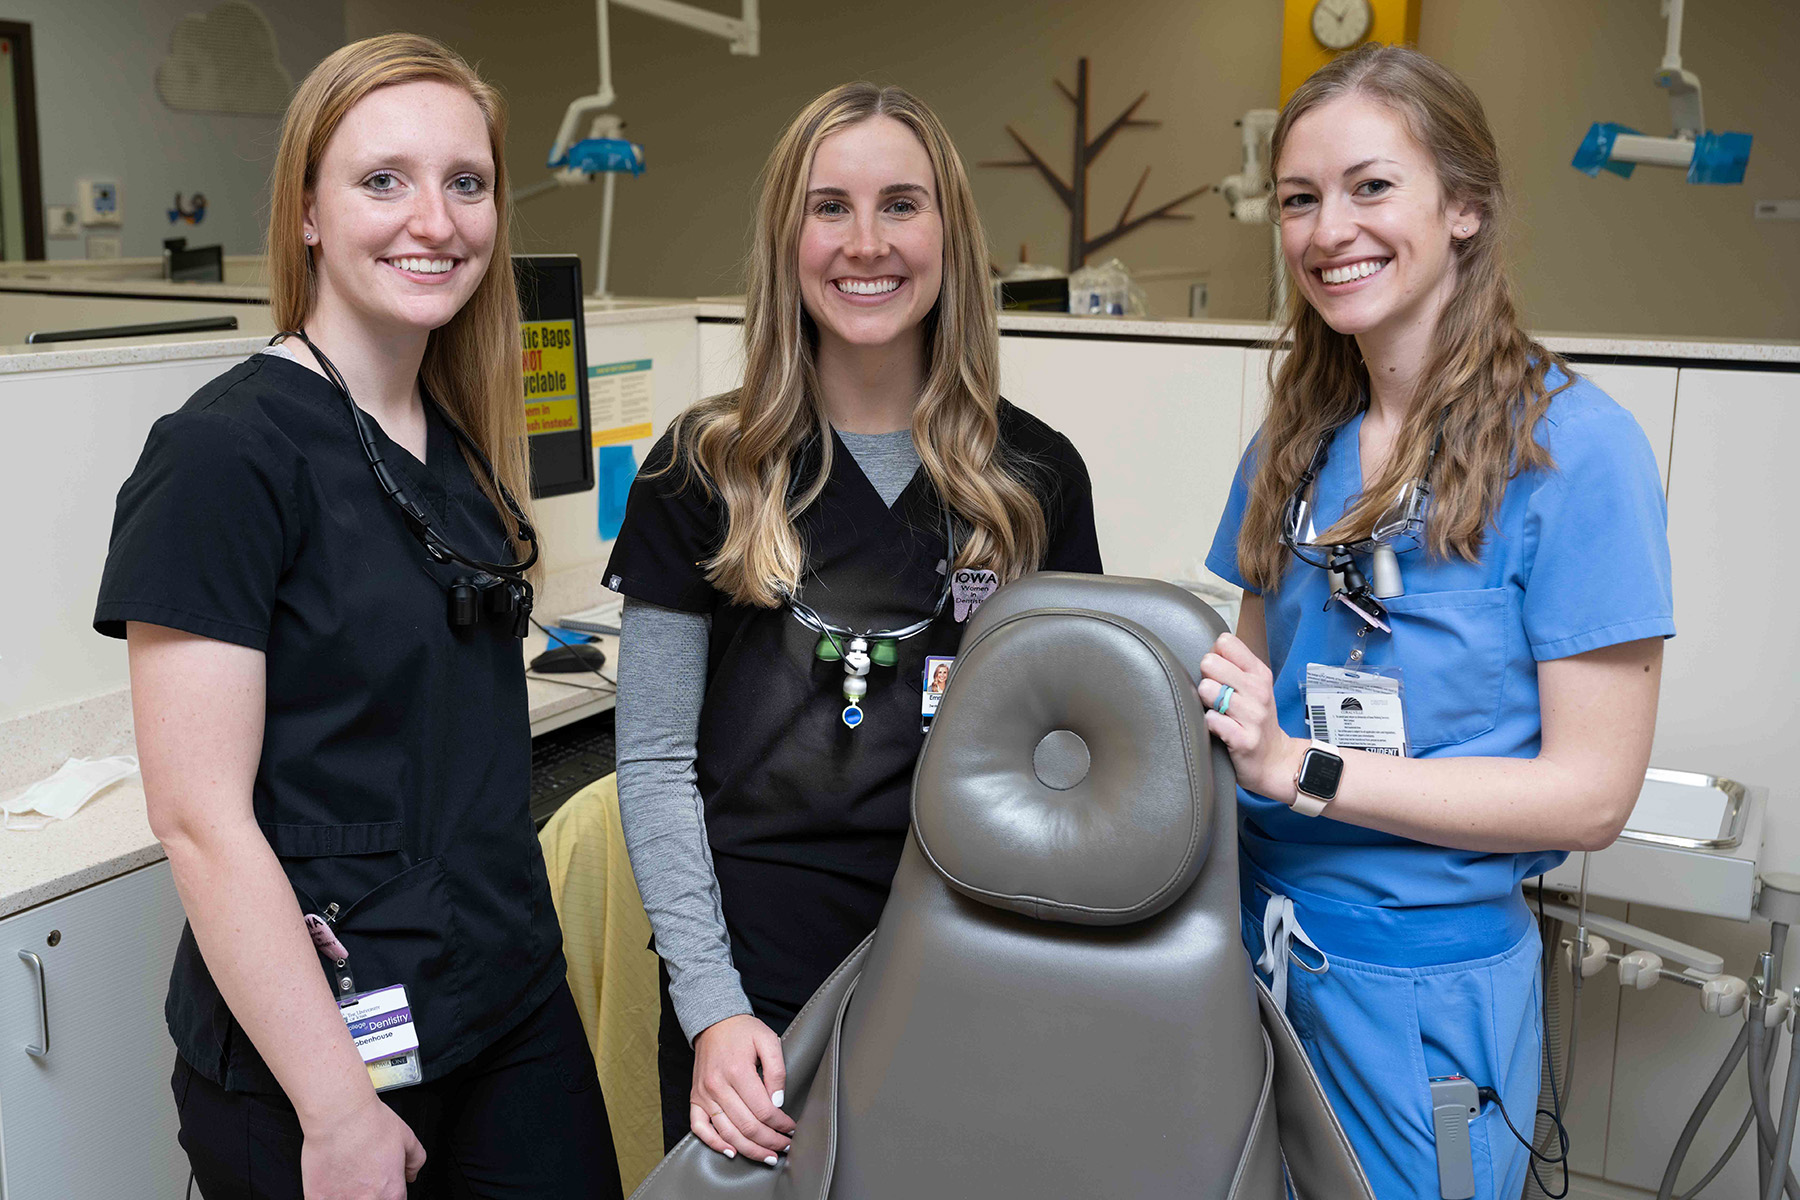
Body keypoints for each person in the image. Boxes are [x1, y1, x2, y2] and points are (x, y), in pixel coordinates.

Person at [95, 34, 622, 1200]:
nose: (433, 219)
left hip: (501, 994)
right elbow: (199, 821)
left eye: (466, 182)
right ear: (309, 214)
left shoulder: (458, 433)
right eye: (382, 180)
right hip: (324, 1046)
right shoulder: (226, 454)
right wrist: (336, 1110)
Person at [1199, 45, 1672, 1200]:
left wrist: (1303, 769)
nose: (1328, 231)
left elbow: (1589, 795)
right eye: (1301, 199)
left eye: (1371, 187)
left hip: (1423, 993)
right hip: (1247, 957)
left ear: (1463, 206)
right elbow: (1241, 691)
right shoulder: (1294, 449)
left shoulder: (1574, 454)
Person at [604, 82, 1103, 1164]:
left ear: (950, 237)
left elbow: (1067, 760)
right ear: (787, 236)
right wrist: (710, 1005)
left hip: (969, 967)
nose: (865, 243)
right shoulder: (704, 472)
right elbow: (650, 760)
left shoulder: (1035, 479)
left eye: (901, 206)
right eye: (829, 207)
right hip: (750, 991)